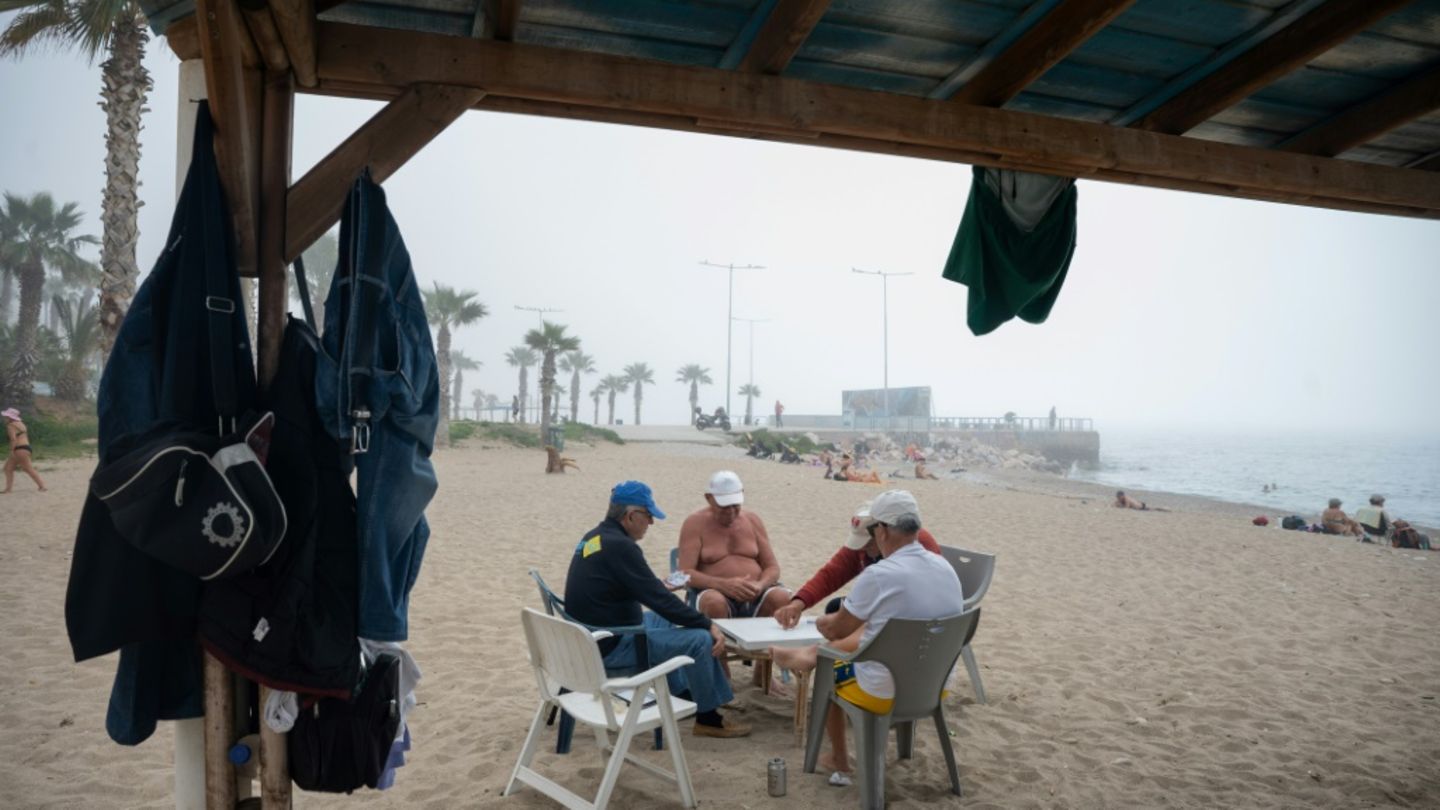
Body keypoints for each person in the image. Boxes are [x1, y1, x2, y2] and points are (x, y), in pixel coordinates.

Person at [778, 491, 963, 781]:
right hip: (936, 687)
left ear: (884, 530)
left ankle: (838, 759)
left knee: (830, 666)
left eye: (876, 530)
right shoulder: (947, 568)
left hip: (883, 692)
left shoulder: (879, 574)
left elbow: (836, 629)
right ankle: (810, 655)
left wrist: (824, 622)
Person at [564, 480, 751, 738]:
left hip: (591, 638)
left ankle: (685, 692)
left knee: (664, 620)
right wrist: (708, 624)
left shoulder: (594, 537)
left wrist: (656, 589)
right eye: (649, 516)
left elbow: (644, 591)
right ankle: (709, 718)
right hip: (610, 647)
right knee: (700, 639)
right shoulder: (622, 547)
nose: (651, 523)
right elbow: (659, 599)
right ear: (631, 516)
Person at [677, 471, 792, 621]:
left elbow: (772, 567)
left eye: (735, 505)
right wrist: (722, 584)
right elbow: (684, 573)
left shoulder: (752, 520)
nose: (731, 511)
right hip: (715, 592)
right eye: (724, 506)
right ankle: (723, 644)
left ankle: (758, 642)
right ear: (709, 498)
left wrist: (760, 585)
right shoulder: (694, 523)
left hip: (755, 593)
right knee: (714, 603)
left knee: (781, 597)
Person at [3, 407, 46, 493]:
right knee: (8, 468)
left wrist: (11, 450)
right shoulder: (21, 424)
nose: (5, 418)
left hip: (19, 449)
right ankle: (8, 489)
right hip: (26, 448)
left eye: (6, 416)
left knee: (28, 469)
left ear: (10, 417)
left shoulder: (11, 425)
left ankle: (42, 486)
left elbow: (13, 439)